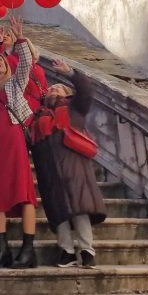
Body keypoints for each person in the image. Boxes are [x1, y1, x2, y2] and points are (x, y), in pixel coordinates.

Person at [30, 59, 106, 268]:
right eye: (51, 89)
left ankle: (87, 249)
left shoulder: (75, 108)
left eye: (57, 88)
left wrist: (70, 73)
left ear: (66, 94)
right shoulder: (38, 117)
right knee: (58, 210)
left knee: (80, 208)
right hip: (49, 167)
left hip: (74, 166)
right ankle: (66, 250)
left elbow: (86, 90)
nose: (53, 90)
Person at [0, 16, 38, 269]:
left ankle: (28, 248)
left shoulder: (15, 83)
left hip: (13, 142)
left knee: (23, 194)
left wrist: (19, 38)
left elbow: (26, 64)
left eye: (0, 60)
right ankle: (2, 248)